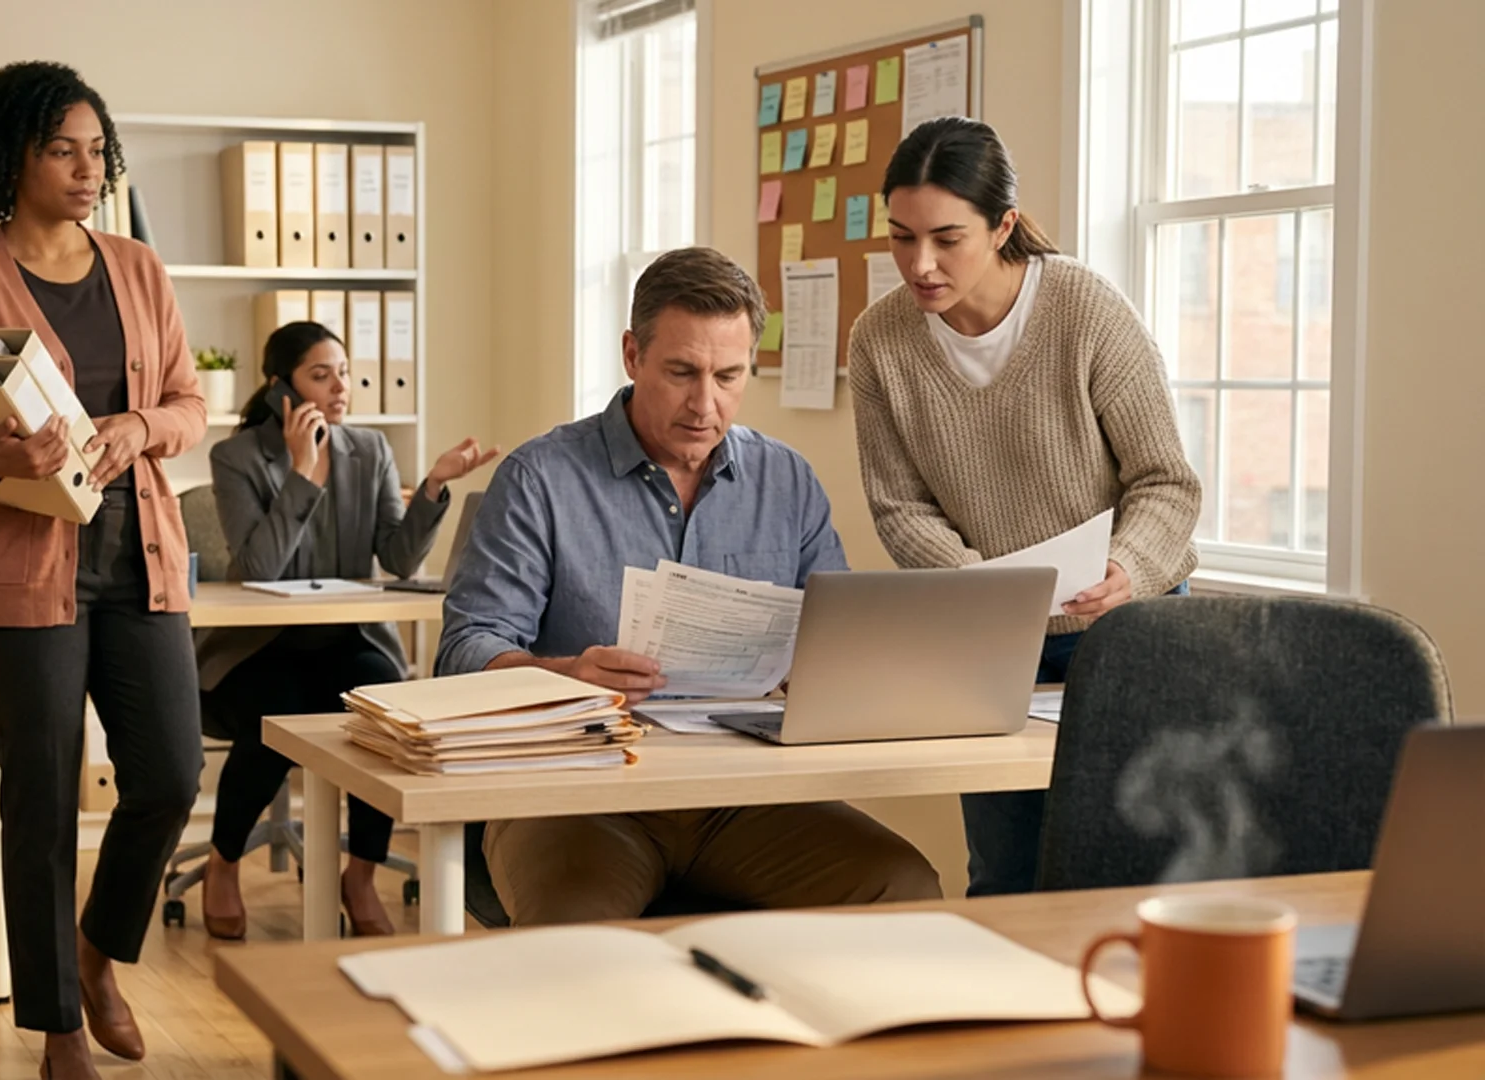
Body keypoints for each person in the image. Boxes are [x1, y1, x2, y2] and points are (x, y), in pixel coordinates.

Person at [436, 246, 941, 927]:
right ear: (631, 355)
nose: (706, 404)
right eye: (681, 372)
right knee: (575, 932)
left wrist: (817, 675)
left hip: (743, 797)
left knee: (902, 887)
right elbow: (464, 650)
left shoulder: (785, 481)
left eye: (729, 376)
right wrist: (565, 675)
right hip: (576, 794)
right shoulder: (540, 478)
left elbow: (838, 636)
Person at [0, 62, 206, 1080]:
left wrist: (139, 426)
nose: (85, 168)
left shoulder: (141, 270)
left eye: (97, 150)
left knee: (168, 776)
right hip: (20, 585)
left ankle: (99, 951)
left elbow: (192, 407)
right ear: (10, 156)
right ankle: (58, 1024)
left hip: (141, 566)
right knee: (44, 793)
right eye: (62, 148)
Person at [847, 117, 1201, 897]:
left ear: (1003, 225)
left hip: (1121, 628)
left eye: (947, 237)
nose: (920, 264)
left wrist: (1129, 567)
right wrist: (984, 590)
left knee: (1130, 868)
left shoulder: (1085, 311)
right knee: (1006, 875)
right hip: (992, 639)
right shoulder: (879, 341)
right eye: (901, 238)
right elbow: (900, 506)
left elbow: (1167, 483)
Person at [197, 321, 497, 941]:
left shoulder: (371, 451)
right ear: (282, 388)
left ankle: (359, 875)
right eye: (320, 374)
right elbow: (257, 568)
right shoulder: (237, 457)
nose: (341, 387)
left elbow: (398, 558)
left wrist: (434, 486)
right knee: (271, 717)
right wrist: (303, 473)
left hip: (347, 640)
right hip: (259, 648)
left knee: (385, 709)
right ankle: (222, 864)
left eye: (343, 372)